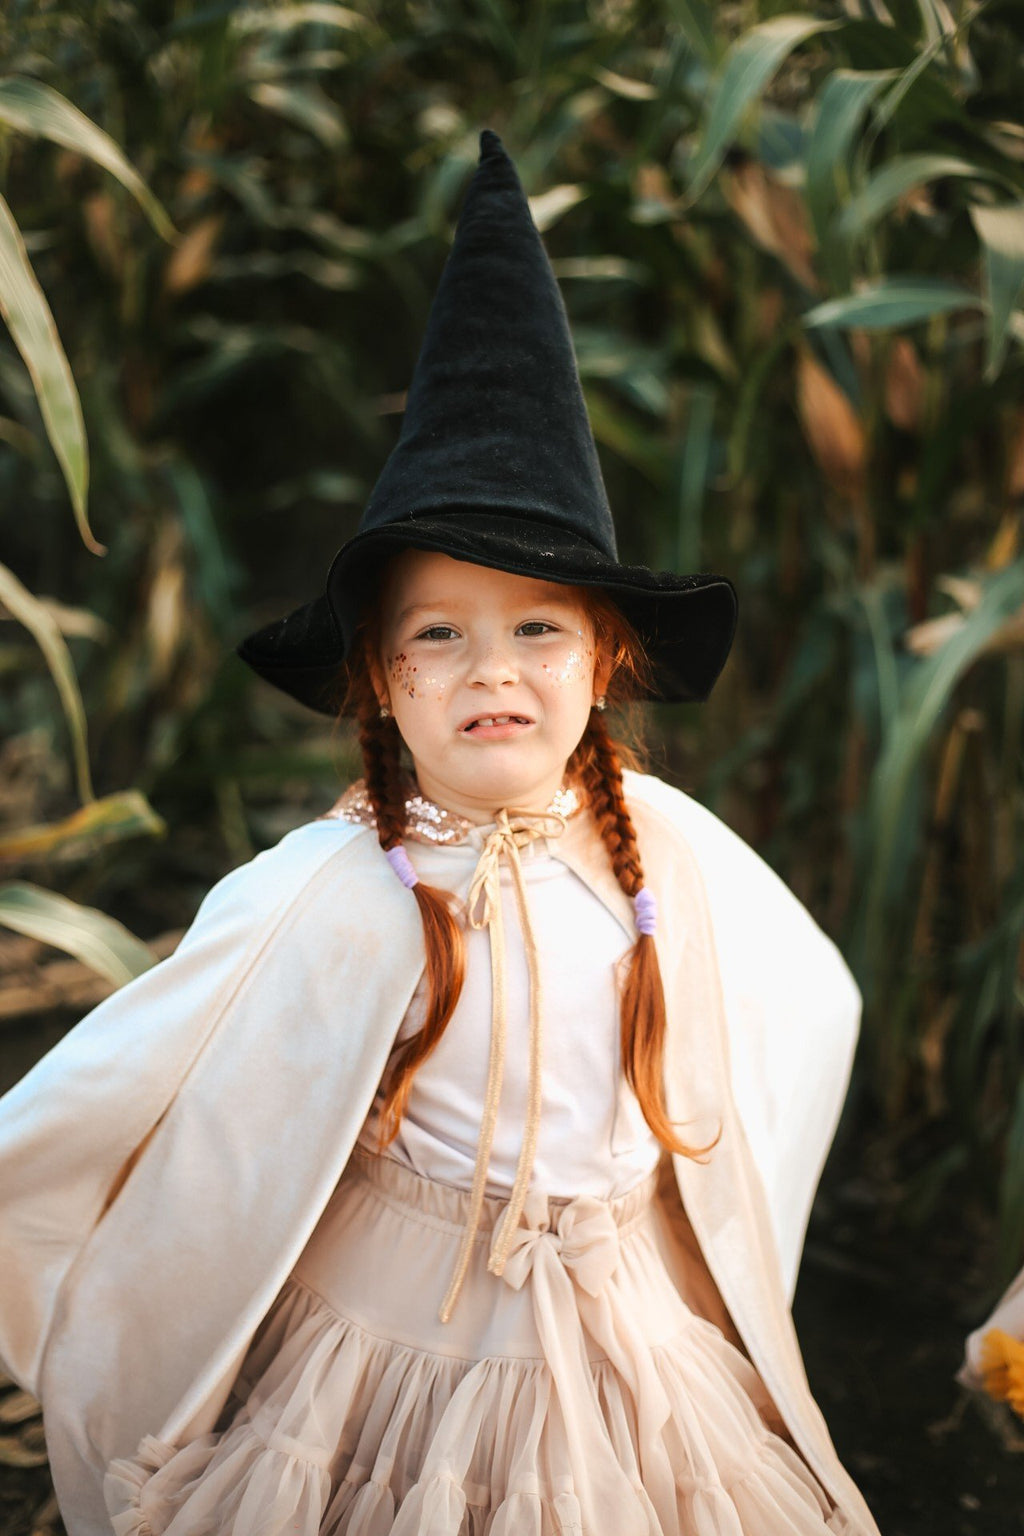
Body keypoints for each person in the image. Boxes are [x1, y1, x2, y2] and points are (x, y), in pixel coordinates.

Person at [0, 131, 881, 1536]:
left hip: (625, 1350)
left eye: (540, 628)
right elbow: (116, 1092)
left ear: (607, 660)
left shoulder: (670, 851)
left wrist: (691, 1221)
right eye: (440, 636)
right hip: (390, 1351)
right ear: (381, 678)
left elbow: (806, 1003)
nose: (494, 672)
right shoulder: (331, 890)